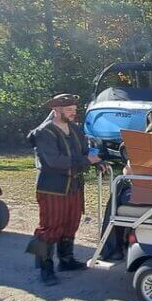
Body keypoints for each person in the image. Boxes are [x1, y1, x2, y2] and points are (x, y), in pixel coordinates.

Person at [25, 94, 100, 285]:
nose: (73, 113)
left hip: (74, 186)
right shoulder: (45, 132)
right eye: (69, 110)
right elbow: (55, 161)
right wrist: (85, 161)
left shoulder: (75, 129)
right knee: (50, 228)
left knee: (71, 223)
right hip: (52, 188)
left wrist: (97, 162)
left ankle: (66, 260)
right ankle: (45, 268)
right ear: (56, 110)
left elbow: (84, 152)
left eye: (74, 109)